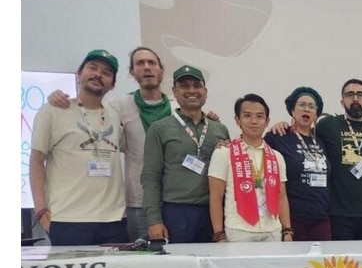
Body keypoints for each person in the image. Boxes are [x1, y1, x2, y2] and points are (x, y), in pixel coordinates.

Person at [46, 46, 221, 240]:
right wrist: (57, 96)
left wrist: (212, 119)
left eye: (151, 63)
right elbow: (88, 110)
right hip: (138, 201)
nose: (146, 68)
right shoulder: (116, 107)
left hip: (180, 201)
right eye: (140, 63)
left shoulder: (178, 106)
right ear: (131, 72)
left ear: (161, 70)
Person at [29, 49, 127, 246]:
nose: (98, 74)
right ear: (78, 73)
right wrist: (40, 210)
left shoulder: (115, 115)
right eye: (92, 68)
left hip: (114, 221)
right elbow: (37, 161)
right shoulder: (52, 111)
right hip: (68, 219)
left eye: (106, 73)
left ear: (112, 84)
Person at [141, 65, 230, 243]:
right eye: (184, 86)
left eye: (197, 85)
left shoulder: (219, 129)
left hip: (214, 211)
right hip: (177, 212)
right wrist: (154, 220)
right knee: (178, 267)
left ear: (205, 91)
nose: (192, 91)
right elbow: (150, 177)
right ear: (174, 91)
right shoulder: (159, 128)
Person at [208, 94, 293, 242]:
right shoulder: (224, 153)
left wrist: (287, 231)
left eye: (260, 117)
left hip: (272, 229)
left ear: (267, 122)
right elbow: (215, 198)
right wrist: (219, 235)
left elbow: (282, 196)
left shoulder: (277, 156)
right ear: (237, 120)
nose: (254, 121)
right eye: (247, 116)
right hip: (239, 230)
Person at [315, 79, 362, 240]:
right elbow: (303, 134)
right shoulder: (328, 125)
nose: (355, 98)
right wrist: (284, 125)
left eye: (360, 95)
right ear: (342, 102)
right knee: (342, 264)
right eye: (350, 94)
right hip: (339, 214)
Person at [264, 86, 331, 241]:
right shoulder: (278, 136)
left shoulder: (321, 140)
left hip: (321, 217)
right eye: (301, 105)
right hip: (293, 217)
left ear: (316, 114)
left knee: (321, 264)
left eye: (311, 106)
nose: (306, 109)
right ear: (292, 110)